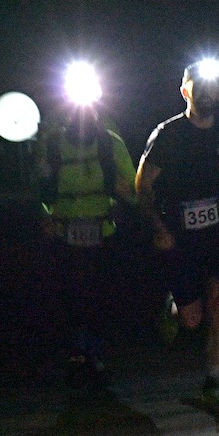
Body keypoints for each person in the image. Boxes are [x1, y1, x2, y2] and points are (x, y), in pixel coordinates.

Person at [135, 60, 219, 418]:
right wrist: (158, 228)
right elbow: (143, 185)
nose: (210, 94)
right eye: (202, 88)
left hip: (216, 234)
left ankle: (212, 384)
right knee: (192, 320)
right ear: (186, 92)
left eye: (215, 88)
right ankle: (173, 305)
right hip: (180, 237)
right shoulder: (167, 134)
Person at [37, 91, 137, 382]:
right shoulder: (53, 145)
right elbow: (40, 186)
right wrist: (44, 215)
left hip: (102, 230)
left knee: (100, 292)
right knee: (69, 293)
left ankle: (94, 351)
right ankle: (77, 352)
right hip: (63, 231)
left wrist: (124, 202)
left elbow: (133, 186)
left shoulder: (109, 142)